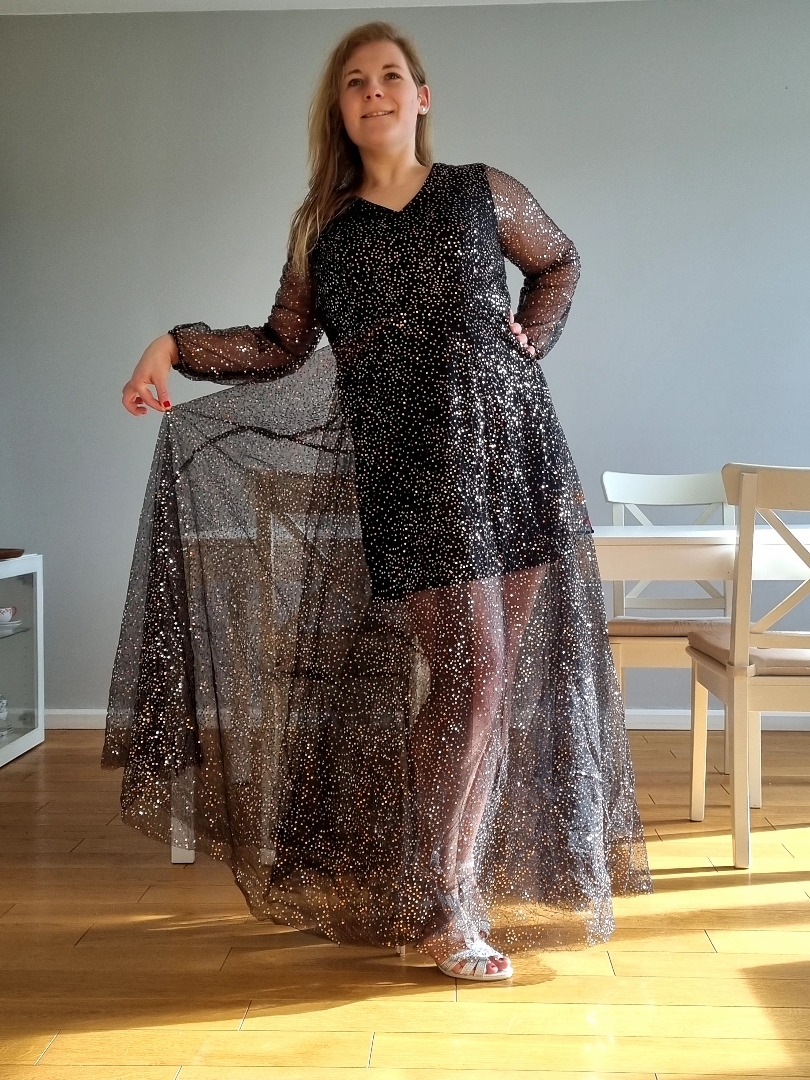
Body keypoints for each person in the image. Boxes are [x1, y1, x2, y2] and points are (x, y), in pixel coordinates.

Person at [108, 21, 651, 983]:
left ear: (421, 97)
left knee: (491, 682)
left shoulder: (480, 190)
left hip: (513, 448)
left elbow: (560, 260)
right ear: (341, 109)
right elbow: (280, 345)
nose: (375, 92)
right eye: (356, 82)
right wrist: (173, 346)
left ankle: (455, 890)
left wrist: (531, 335)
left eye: (391, 77)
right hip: (411, 470)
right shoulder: (326, 230)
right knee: (471, 673)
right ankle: (444, 902)